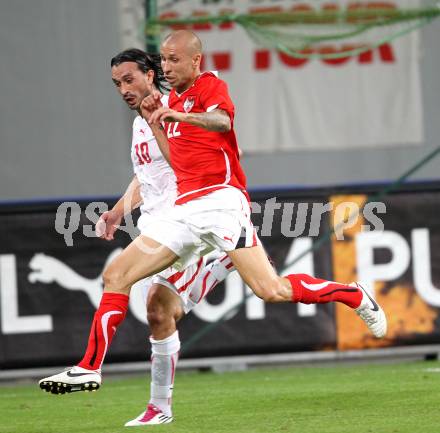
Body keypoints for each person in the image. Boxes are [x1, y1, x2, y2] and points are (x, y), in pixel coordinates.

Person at [40, 31, 386, 426]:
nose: (165, 68)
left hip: (221, 205)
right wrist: (123, 202)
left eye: (167, 62)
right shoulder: (154, 114)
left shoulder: (208, 87)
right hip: (182, 214)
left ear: (190, 62)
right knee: (121, 278)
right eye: (117, 83)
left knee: (270, 290)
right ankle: (90, 368)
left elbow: (221, 122)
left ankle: (351, 294)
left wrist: (174, 116)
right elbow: (164, 166)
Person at [39, 48, 235, 426]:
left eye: (129, 79)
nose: (123, 89)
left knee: (120, 279)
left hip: (185, 225)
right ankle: (159, 409)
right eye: (116, 84)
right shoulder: (140, 123)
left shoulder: (174, 112)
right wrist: (117, 211)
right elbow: (147, 178)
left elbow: (196, 162)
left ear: (151, 73)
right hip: (159, 226)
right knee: (160, 312)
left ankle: (89, 366)